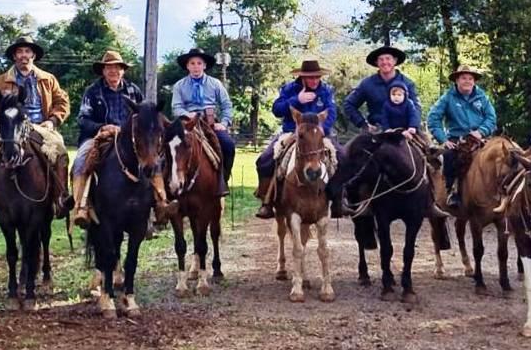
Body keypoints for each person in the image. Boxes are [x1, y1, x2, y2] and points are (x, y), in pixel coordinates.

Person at [0, 36, 71, 221]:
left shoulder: (48, 80)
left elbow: (61, 102)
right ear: (14, 56)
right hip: (8, 126)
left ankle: (61, 197)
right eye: (19, 52)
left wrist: (53, 120)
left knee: (60, 149)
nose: (23, 55)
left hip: (40, 125)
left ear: (33, 54)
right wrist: (2, 109)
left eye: (27, 51)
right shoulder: (0, 81)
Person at [254, 59, 344, 219]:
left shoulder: (326, 90)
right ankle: (266, 202)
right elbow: (277, 110)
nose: (314, 80)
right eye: (310, 77)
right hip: (292, 132)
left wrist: (323, 127)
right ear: (302, 77)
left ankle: (339, 201)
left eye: (317, 77)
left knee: (343, 157)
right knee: (264, 160)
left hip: (319, 134)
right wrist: (297, 100)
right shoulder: (290, 89)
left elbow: (332, 111)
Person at [70, 50, 148, 228]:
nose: (113, 71)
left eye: (117, 67)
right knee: (81, 160)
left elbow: (144, 116)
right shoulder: (93, 91)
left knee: (152, 160)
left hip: (129, 139)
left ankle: (158, 204)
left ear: (123, 70)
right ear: (103, 71)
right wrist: (102, 127)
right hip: (99, 136)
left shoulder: (133, 90)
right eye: (109, 68)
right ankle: (81, 206)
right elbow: (82, 119)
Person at [427, 65, 497, 207]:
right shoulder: (447, 97)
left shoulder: (482, 97)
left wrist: (482, 131)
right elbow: (433, 119)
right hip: (457, 138)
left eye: (470, 78)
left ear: (474, 81)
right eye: (463, 78)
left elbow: (491, 118)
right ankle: (452, 191)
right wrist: (443, 139)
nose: (467, 81)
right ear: (457, 80)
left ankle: (500, 194)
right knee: (450, 156)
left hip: (480, 137)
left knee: (500, 157)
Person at [170, 47, 235, 197]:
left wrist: (224, 123)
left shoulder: (215, 84)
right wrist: (188, 114)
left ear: (204, 65)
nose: (196, 66)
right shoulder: (179, 85)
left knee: (228, 145)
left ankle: (222, 180)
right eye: (192, 63)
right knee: (168, 145)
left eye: (199, 63)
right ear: (187, 66)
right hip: (187, 123)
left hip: (209, 122)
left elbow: (226, 105)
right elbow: (176, 107)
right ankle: (167, 183)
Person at [342, 45, 421, 132]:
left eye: (388, 58)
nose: (384, 62)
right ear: (376, 62)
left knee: (426, 144)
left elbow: (416, 106)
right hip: (378, 131)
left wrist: (413, 126)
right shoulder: (367, 84)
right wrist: (362, 123)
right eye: (381, 59)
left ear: (395, 61)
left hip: (405, 131)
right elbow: (348, 104)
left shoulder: (407, 83)